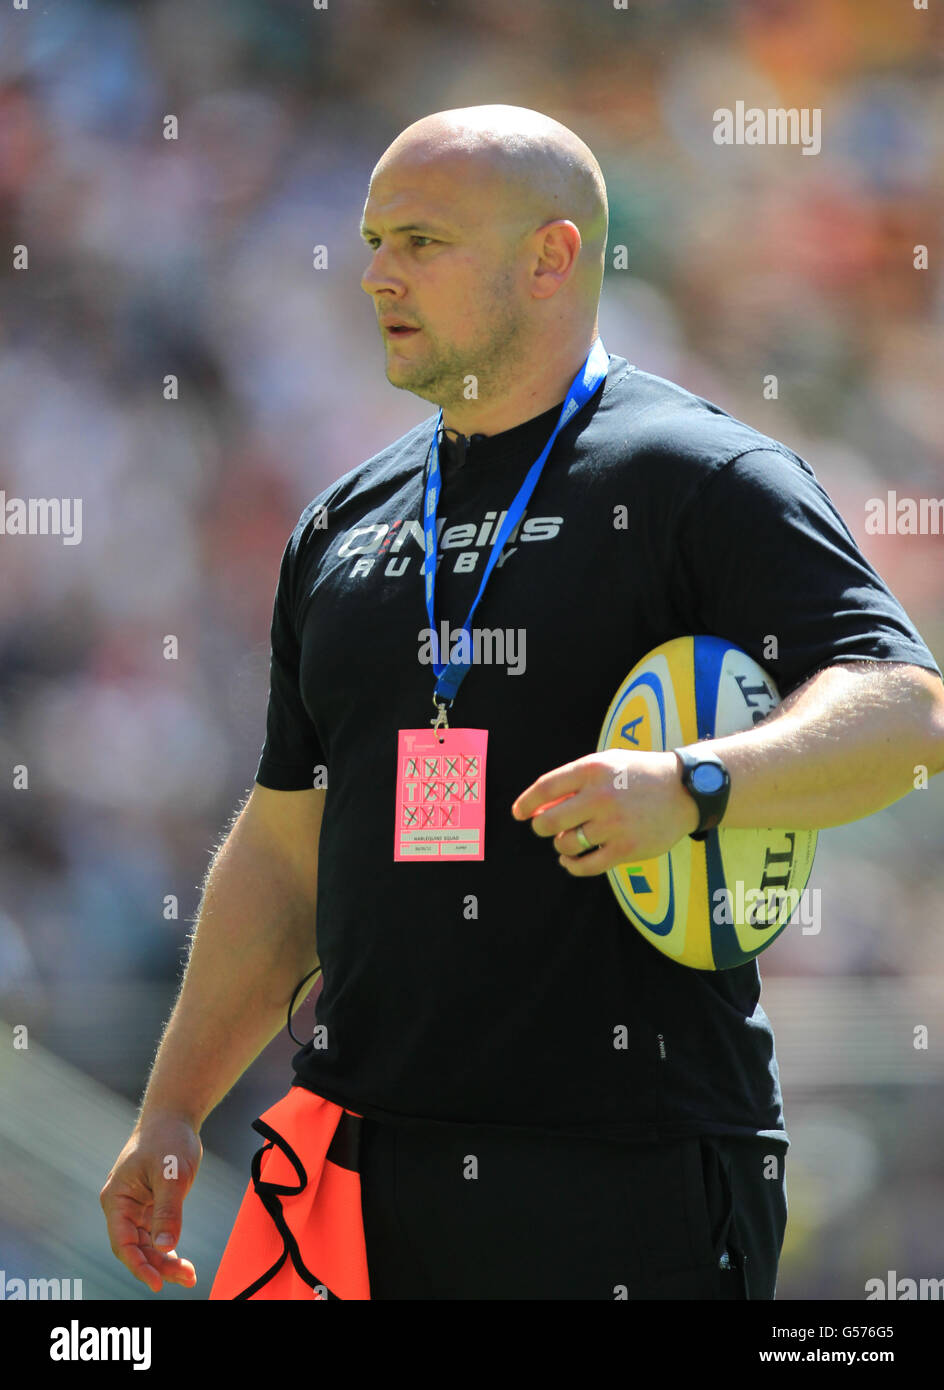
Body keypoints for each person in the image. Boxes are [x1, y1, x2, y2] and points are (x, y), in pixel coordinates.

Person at [100, 105, 944, 1300]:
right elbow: (290, 845)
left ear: (551, 256)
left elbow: (907, 711)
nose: (376, 274)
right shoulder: (344, 519)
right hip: (365, 1165)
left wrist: (696, 784)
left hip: (626, 1171)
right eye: (372, 239)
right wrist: (175, 1103)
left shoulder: (699, 477)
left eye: (421, 242)